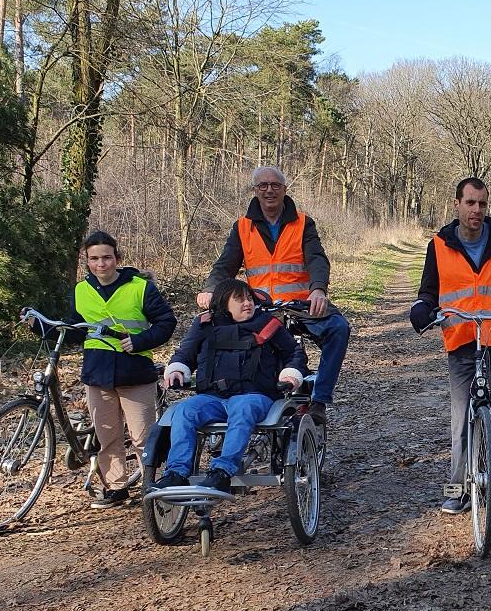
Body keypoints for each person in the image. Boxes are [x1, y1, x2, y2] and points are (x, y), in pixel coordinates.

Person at [409, 177, 491, 523]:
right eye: (470, 203)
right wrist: (421, 308)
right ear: (457, 204)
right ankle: (459, 489)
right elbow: (428, 291)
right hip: (461, 341)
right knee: (460, 420)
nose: (477, 210)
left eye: (482, 204)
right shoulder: (438, 245)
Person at [197, 166, 349, 425]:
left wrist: (318, 290)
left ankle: (320, 398)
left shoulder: (302, 222)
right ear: (255, 190)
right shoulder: (243, 227)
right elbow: (226, 264)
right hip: (261, 308)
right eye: (263, 186)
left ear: (284, 190)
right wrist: (211, 288)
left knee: (338, 329)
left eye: (275, 185)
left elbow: (316, 259)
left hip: (301, 304)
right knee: (216, 333)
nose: (269, 190)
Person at [151, 279, 307, 494]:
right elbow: (185, 353)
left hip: (255, 395)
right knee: (184, 411)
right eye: (240, 299)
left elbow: (294, 353)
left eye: (250, 298)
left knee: (242, 408)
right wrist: (178, 368)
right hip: (213, 397)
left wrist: (291, 374)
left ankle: (222, 472)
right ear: (224, 303)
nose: (247, 303)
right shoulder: (204, 325)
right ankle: (176, 473)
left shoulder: (268, 325)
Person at [62, 231, 176, 508]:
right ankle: (116, 487)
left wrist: (139, 341)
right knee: (107, 435)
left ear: (117, 258)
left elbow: (166, 322)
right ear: (86, 261)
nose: (101, 264)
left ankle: (155, 486)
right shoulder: (81, 290)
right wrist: (44, 327)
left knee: (143, 436)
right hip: (97, 373)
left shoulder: (139, 287)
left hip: (134, 371)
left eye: (106, 258)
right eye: (94, 259)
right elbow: (76, 329)